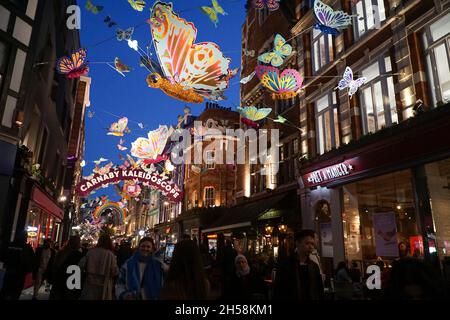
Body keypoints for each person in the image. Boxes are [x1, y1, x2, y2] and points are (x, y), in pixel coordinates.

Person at [273, 230, 324, 300]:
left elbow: (319, 290)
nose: (310, 247)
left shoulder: (314, 266)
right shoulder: (286, 265)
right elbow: (278, 290)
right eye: (307, 243)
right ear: (297, 243)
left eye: (312, 244)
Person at [79, 234, 119, 300]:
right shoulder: (110, 255)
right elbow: (114, 271)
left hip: (90, 283)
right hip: (104, 285)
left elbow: (81, 265)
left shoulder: (91, 252)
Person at [0, 231, 35, 300]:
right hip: (20, 275)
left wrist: (8, 263)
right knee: (15, 293)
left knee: (6, 290)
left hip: (9, 272)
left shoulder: (10, 245)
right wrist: (26, 271)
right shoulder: (27, 248)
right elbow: (32, 262)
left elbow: (2, 256)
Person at [49, 236, 83, 300]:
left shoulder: (61, 252)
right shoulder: (77, 255)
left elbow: (54, 267)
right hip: (70, 286)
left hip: (58, 284)